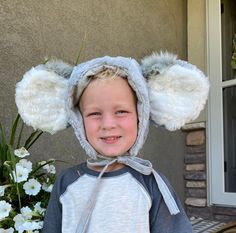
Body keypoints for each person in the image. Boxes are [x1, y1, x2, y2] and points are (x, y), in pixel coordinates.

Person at [15, 53, 209, 233]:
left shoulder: (152, 184)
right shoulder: (67, 182)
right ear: (77, 119)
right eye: (94, 114)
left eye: (121, 111)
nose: (108, 124)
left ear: (140, 116)